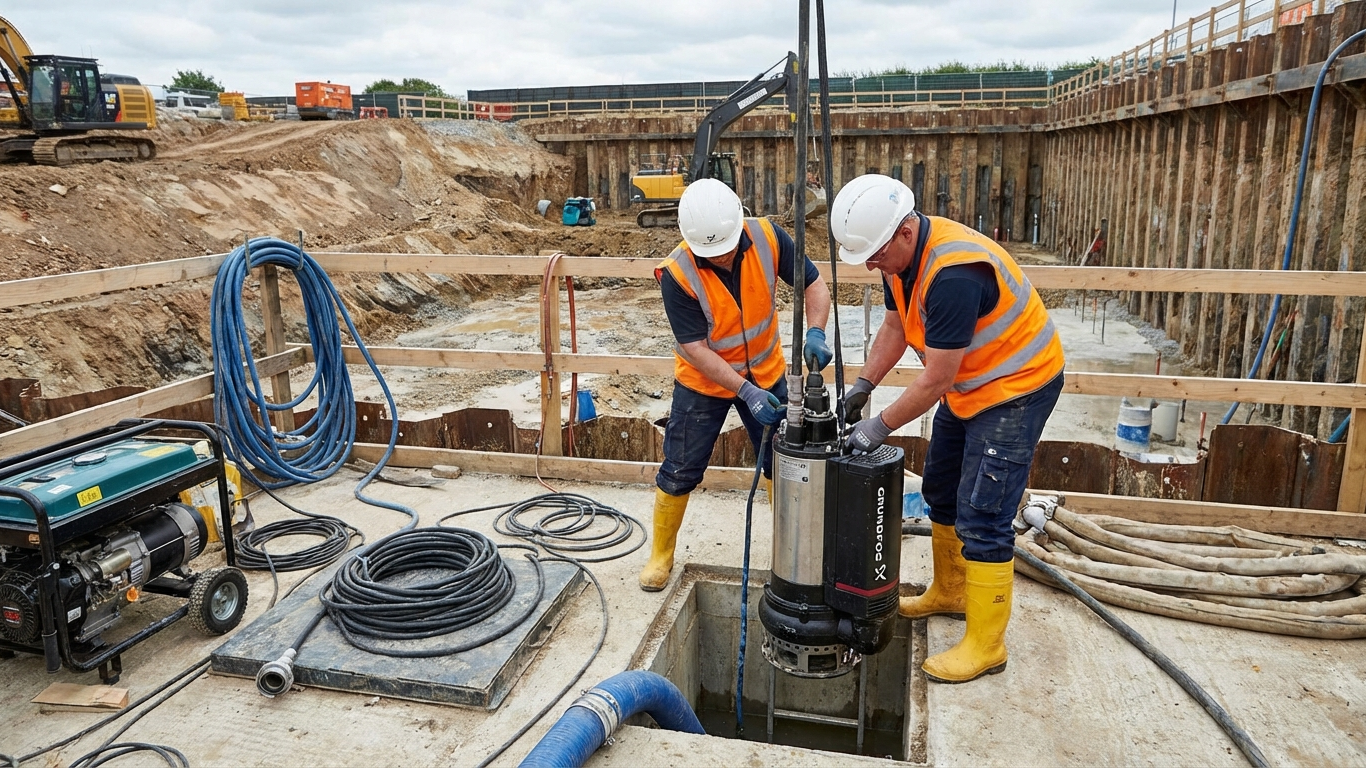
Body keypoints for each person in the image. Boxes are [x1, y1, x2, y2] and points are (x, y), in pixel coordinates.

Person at [829, 174, 1064, 684]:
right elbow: (895, 325)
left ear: (906, 232)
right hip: (973, 385)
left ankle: (987, 645)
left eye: (874, 254)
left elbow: (936, 379)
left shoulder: (954, 275)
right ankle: (952, 591)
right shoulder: (900, 259)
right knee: (940, 489)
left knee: (984, 512)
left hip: (1015, 388)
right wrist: (864, 384)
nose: (870, 265)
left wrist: (877, 427)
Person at [640, 178, 833, 592]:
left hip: (767, 371)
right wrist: (744, 391)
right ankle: (661, 554)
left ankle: (788, 549)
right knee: (680, 466)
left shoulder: (767, 237)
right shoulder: (678, 273)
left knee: (782, 464)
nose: (723, 255)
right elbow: (693, 347)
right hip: (703, 383)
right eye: (712, 251)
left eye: (727, 245)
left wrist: (816, 331)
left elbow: (814, 284)